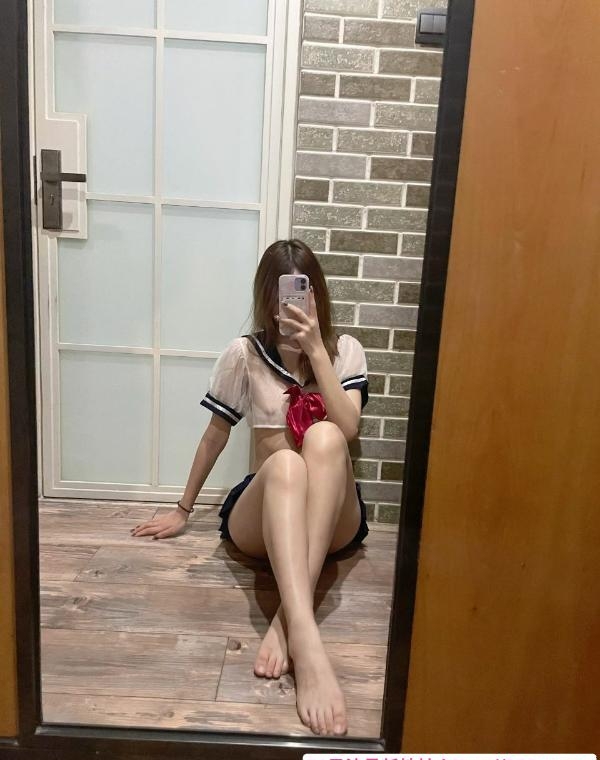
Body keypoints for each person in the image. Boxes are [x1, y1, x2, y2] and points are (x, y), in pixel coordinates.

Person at [131, 239, 370, 737]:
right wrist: (182, 508)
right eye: (282, 297)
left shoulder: (345, 351)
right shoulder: (244, 354)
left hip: (333, 519)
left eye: (303, 294)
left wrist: (315, 351)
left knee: (326, 437)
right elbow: (215, 434)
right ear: (266, 299)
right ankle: (309, 641)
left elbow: (348, 428)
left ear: (318, 296)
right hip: (266, 514)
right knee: (285, 464)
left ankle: (290, 621)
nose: (292, 307)